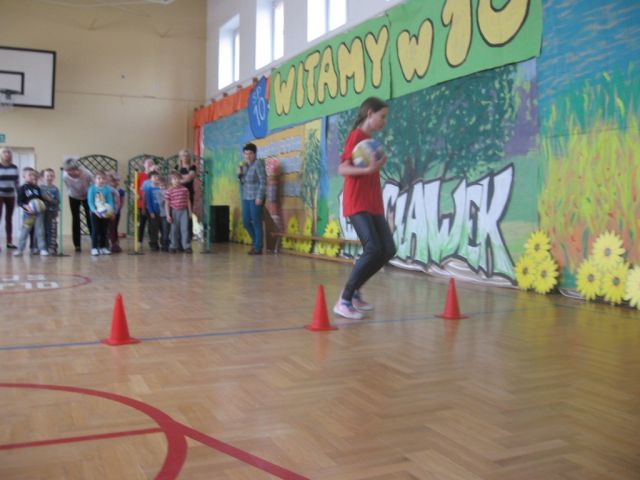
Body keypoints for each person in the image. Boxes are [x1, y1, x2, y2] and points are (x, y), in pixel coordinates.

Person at [333, 97, 397, 320]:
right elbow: (342, 169)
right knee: (372, 248)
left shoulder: (368, 141)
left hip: (373, 204)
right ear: (370, 114)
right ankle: (344, 300)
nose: (384, 121)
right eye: (382, 116)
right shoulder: (356, 137)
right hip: (357, 202)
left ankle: (355, 293)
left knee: (388, 249)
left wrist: (376, 164)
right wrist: (368, 169)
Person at [238, 142, 266, 255]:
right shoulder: (244, 166)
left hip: (255, 197)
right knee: (245, 222)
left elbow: (263, 182)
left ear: (254, 154)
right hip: (246, 197)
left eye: (250, 153)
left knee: (256, 222)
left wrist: (260, 197)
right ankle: (256, 243)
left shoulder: (258, 164)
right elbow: (243, 182)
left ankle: (258, 247)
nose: (247, 156)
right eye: (245, 153)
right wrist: (239, 175)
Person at [13, 167, 48, 257]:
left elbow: (40, 199)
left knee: (40, 230)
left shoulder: (37, 188)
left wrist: (42, 204)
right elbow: (19, 202)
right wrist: (26, 207)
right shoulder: (22, 188)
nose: (33, 176)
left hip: (39, 213)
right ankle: (20, 249)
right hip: (28, 214)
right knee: (25, 231)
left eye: (34, 175)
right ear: (24, 176)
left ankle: (42, 249)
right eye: (30, 175)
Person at [62, 157, 93, 252]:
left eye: (70, 170)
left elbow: (93, 185)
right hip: (73, 196)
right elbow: (68, 188)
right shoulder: (65, 176)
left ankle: (95, 242)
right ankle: (77, 245)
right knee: (75, 219)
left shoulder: (87, 173)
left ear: (76, 169)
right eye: (67, 170)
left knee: (90, 218)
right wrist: (75, 194)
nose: (68, 172)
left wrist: (90, 195)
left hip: (87, 195)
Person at [87, 170, 116, 256]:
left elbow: (110, 201)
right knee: (95, 230)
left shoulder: (107, 189)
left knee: (104, 230)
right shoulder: (92, 189)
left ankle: (103, 247)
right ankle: (94, 248)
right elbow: (90, 202)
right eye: (99, 178)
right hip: (95, 213)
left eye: (103, 178)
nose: (101, 180)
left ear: (105, 180)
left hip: (105, 213)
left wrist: (111, 211)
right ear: (95, 179)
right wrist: (94, 210)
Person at [165, 171, 192, 253]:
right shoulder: (169, 191)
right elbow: (167, 203)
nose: (176, 180)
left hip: (184, 211)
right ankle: (173, 246)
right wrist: (168, 215)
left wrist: (190, 212)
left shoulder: (185, 190)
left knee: (185, 229)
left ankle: (186, 246)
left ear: (180, 179)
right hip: (174, 211)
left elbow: (188, 201)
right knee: (174, 230)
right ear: (171, 181)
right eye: (174, 179)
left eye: (178, 179)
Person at [133, 158, 157, 251]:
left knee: (152, 224)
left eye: (151, 163)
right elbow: (134, 187)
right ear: (144, 165)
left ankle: (152, 242)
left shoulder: (155, 176)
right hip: (142, 202)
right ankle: (139, 241)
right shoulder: (140, 175)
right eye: (148, 163)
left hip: (152, 204)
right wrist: (137, 194)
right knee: (142, 223)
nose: (149, 164)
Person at [175, 149, 197, 241]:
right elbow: (173, 178)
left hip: (188, 193)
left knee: (188, 214)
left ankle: (188, 237)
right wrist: (183, 178)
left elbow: (190, 178)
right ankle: (178, 237)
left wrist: (179, 179)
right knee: (177, 213)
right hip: (177, 193)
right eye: (183, 155)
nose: (185, 157)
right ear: (180, 157)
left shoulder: (192, 167)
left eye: (187, 155)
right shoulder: (177, 167)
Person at [0, 147, 19, 250]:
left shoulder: (14, 167)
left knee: (9, 219)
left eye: (8, 152)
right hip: (0, 195)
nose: (7, 154)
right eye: (4, 152)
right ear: (1, 154)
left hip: (11, 195)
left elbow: (16, 182)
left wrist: (19, 195)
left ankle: (9, 242)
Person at [40, 168, 60, 255]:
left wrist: (50, 199)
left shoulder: (55, 189)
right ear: (43, 177)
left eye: (51, 176)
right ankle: (43, 247)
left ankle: (52, 247)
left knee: (52, 230)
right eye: (47, 176)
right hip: (42, 212)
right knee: (42, 229)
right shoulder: (40, 188)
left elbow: (57, 202)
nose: (49, 177)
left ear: (54, 177)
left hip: (52, 212)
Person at [144, 171, 161, 251]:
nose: (156, 178)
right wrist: (151, 212)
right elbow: (149, 202)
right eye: (154, 177)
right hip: (154, 212)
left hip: (162, 212)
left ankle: (164, 243)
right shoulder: (149, 189)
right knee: (154, 228)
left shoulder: (161, 188)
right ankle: (154, 243)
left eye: (157, 176)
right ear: (150, 179)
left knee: (162, 228)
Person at [155, 176, 170, 251]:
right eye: (161, 186)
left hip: (170, 213)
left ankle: (170, 243)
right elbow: (160, 203)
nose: (162, 187)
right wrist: (165, 196)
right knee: (165, 230)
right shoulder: (158, 193)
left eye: (164, 185)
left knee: (169, 230)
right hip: (163, 214)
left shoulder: (169, 191)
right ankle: (164, 245)